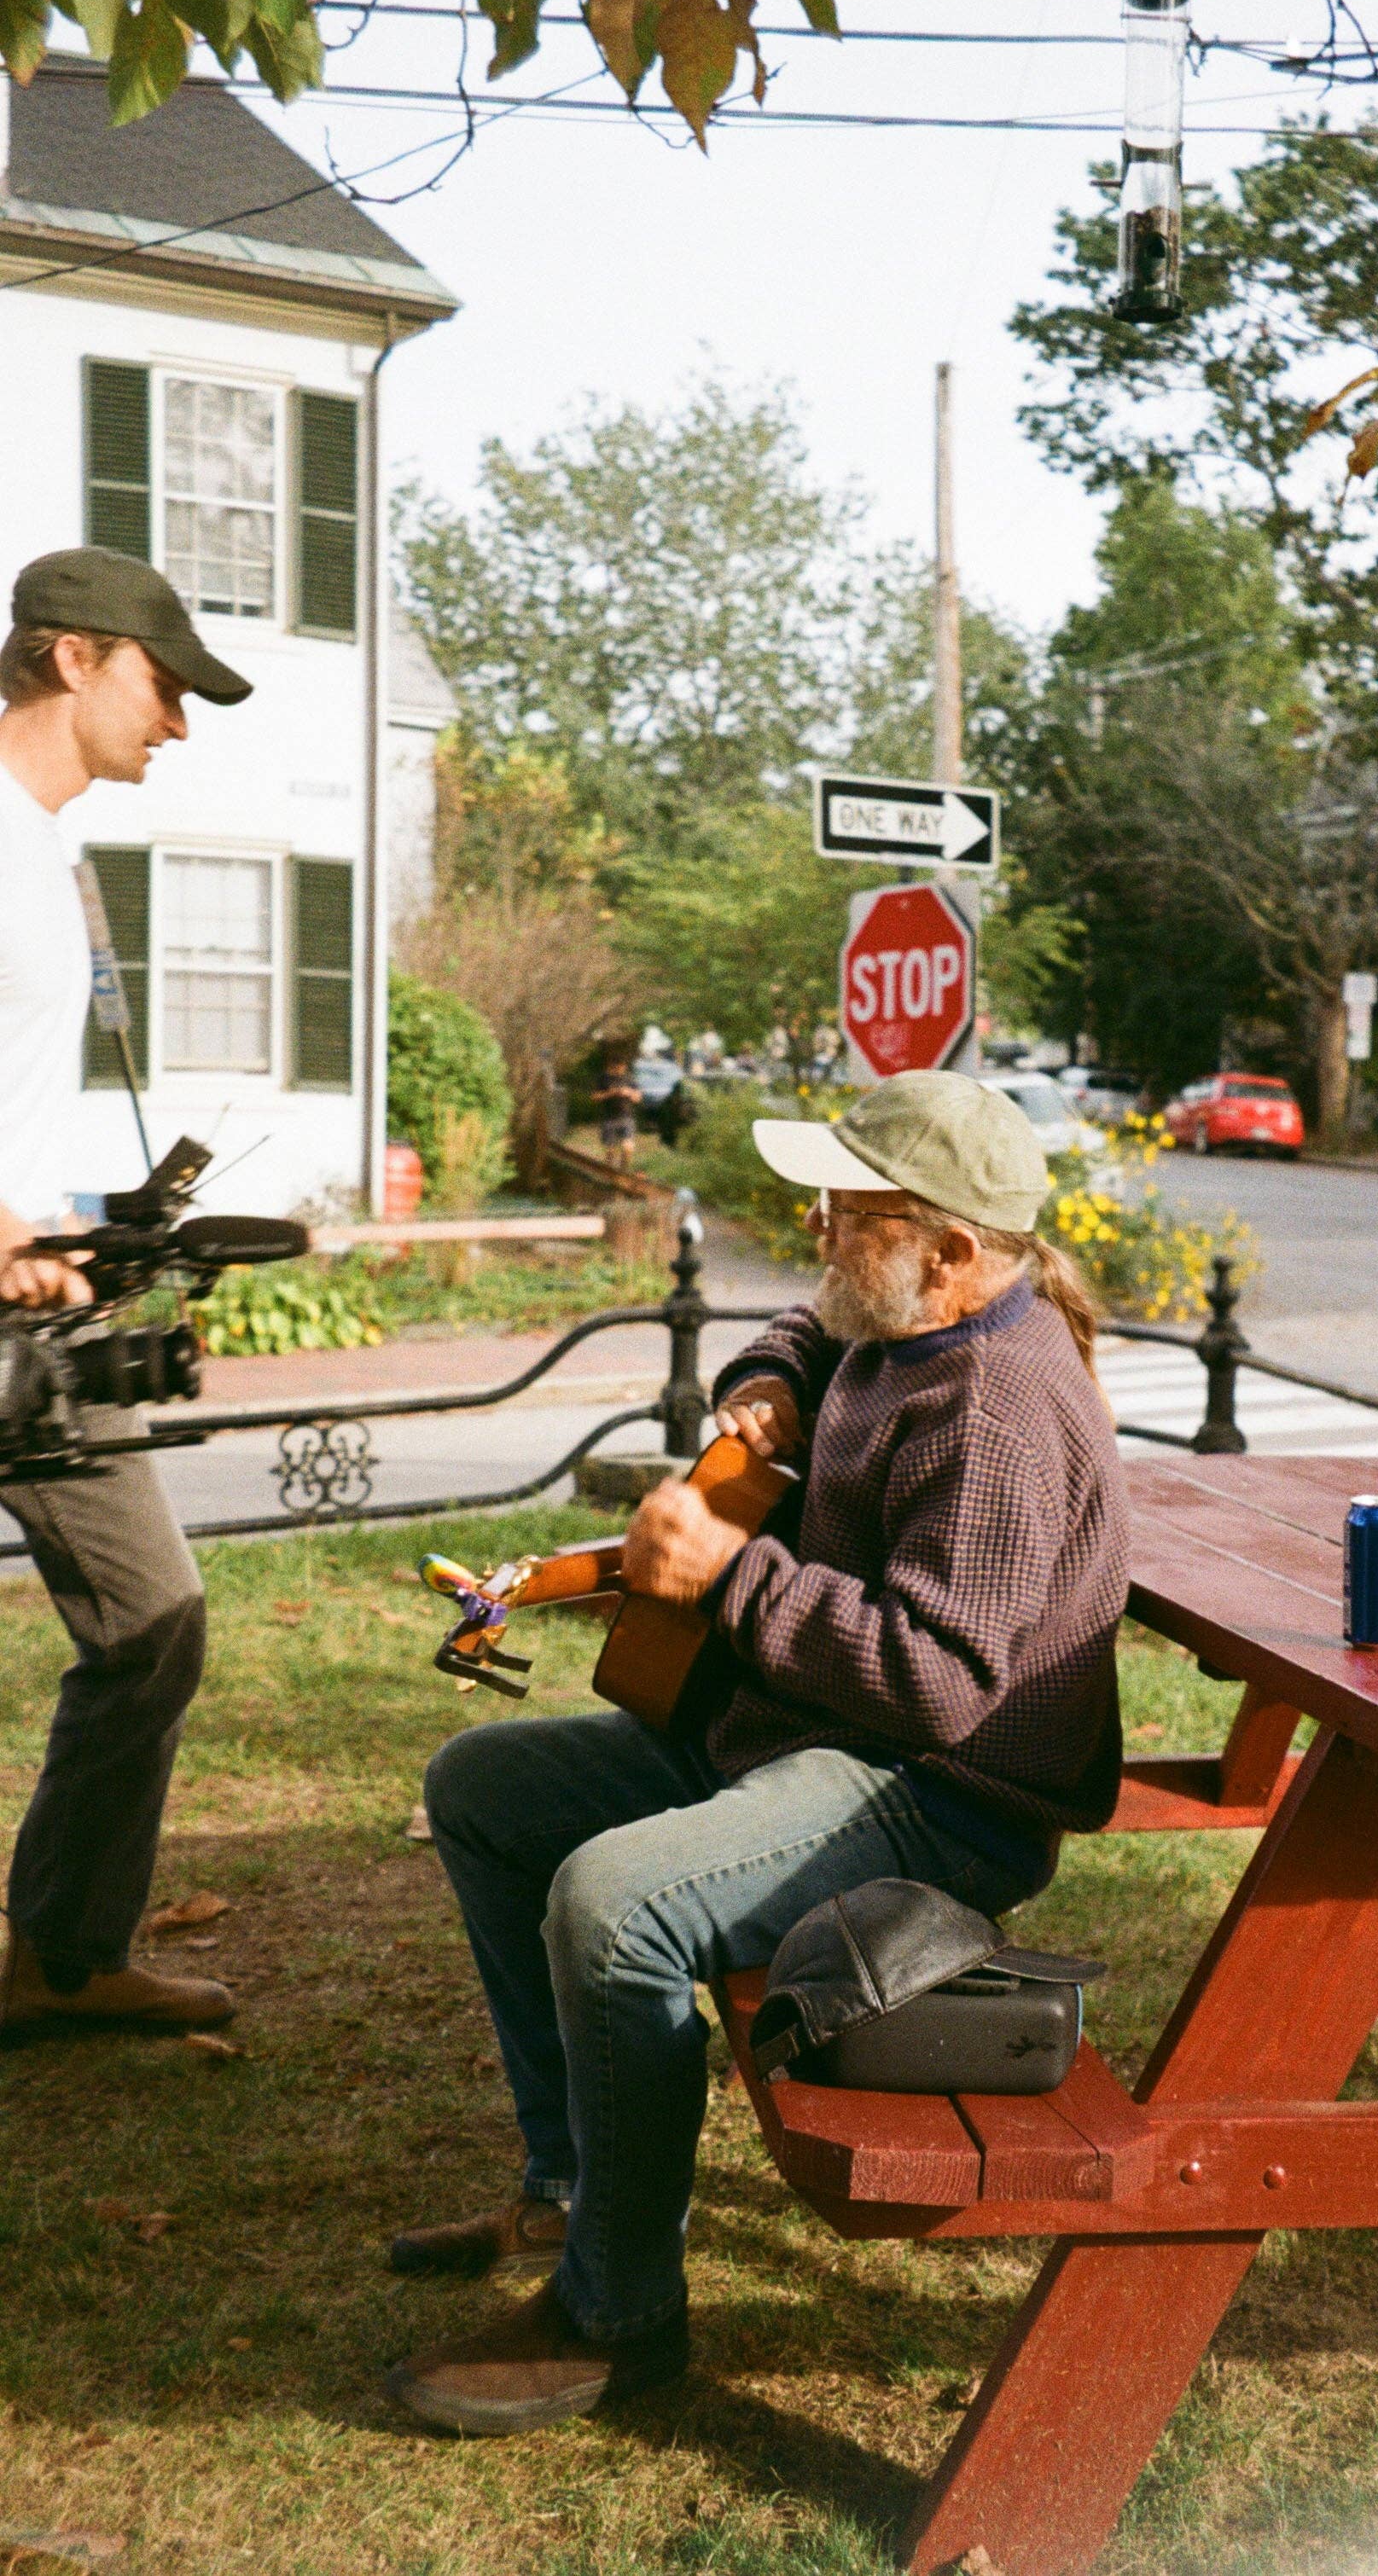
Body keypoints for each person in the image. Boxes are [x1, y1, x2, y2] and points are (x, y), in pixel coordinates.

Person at [386, 1070, 1129, 2436]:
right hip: (811, 1734)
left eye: (846, 1206)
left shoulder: (1000, 1410)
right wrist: (761, 1384)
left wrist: (729, 1578)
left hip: (938, 1795)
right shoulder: (900, 1315)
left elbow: (937, 1681)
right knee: (480, 1790)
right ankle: (567, 2193)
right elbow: (809, 1324)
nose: (814, 1221)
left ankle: (620, 2312)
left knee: (614, 1906)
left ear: (950, 1250)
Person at [0, 548, 252, 2045]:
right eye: (167, 685)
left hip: (34, 1318)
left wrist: (85, 1229)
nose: (179, 722)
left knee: (153, 1620)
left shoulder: (52, 854)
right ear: (77, 657)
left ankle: (67, 1960)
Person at [596, 1054, 638, 1171]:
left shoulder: (630, 1079)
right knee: (610, 1152)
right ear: (613, 1066)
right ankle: (609, 1174)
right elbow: (595, 1097)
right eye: (617, 1067)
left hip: (627, 1118)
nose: (620, 1069)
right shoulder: (604, 1078)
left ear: (625, 1067)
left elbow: (638, 1098)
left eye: (622, 1067)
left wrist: (628, 1093)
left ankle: (623, 1172)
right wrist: (610, 1093)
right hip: (609, 1118)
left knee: (628, 1148)